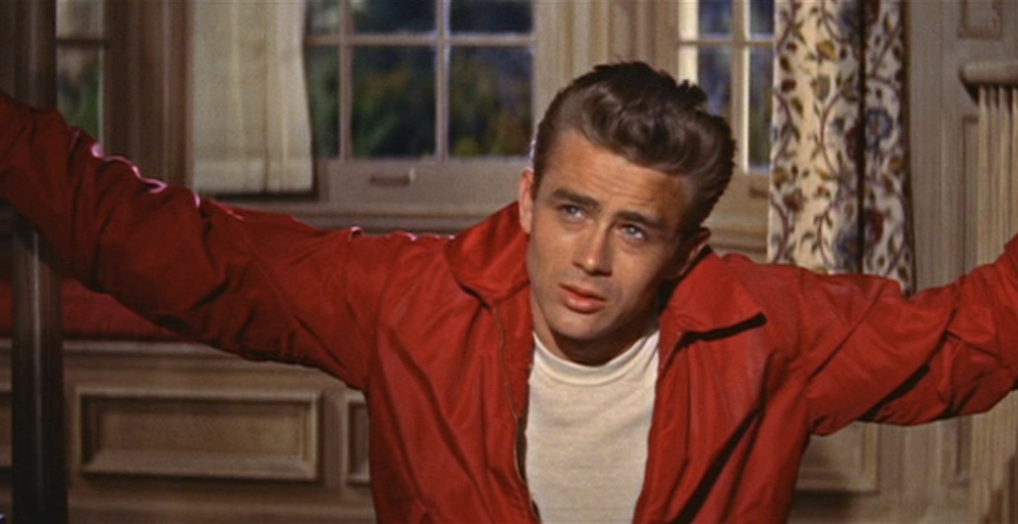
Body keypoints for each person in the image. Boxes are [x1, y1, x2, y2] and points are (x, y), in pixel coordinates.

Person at [2, 61, 1017, 523]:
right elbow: (179, 251)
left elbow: (971, 337)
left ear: (682, 250)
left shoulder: (765, 325)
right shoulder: (409, 299)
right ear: (527, 198)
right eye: (572, 209)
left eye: (634, 230)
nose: (591, 258)